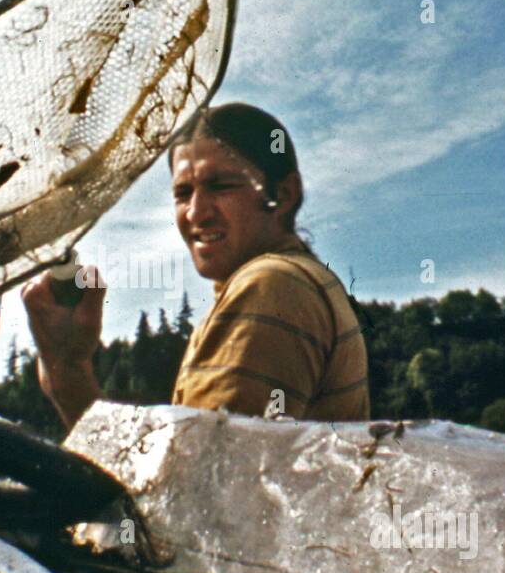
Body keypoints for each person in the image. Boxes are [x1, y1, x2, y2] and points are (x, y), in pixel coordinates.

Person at [21, 102, 369, 428]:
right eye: (183, 193)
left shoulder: (271, 284)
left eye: (220, 186)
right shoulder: (301, 281)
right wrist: (68, 370)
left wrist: (66, 373)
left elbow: (196, 484)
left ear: (284, 194)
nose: (196, 213)